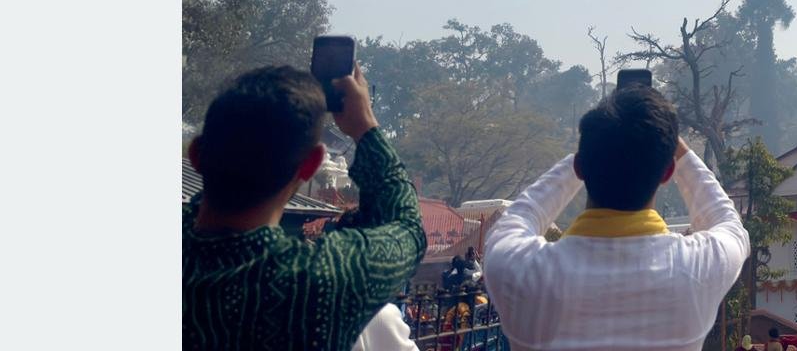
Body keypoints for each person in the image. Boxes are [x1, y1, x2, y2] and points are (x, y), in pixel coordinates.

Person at [483, 84, 750, 350]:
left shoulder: (521, 271)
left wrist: (591, 151)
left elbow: (517, 219)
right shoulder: (696, 268)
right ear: (668, 172)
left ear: (579, 167)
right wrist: (672, 145)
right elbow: (727, 222)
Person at [184, 64, 427, 351]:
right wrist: (365, 126)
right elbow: (407, 226)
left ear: (196, 155)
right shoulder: (316, 281)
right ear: (311, 165)